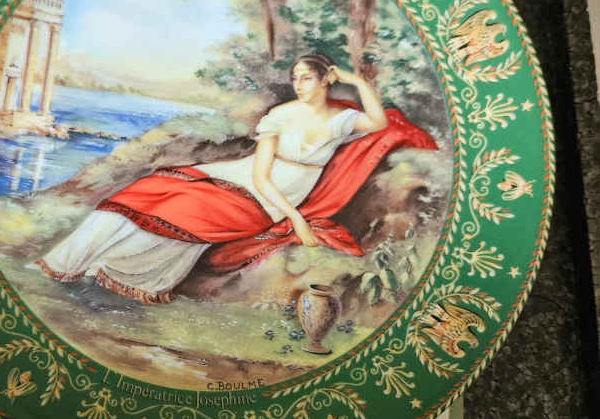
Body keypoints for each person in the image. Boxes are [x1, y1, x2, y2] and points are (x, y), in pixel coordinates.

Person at [34, 54, 437, 304]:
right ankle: (79, 263)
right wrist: (296, 219)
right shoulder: (281, 115)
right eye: (295, 78)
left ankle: (117, 270)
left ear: (325, 79)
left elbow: (378, 121)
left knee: (186, 208)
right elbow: (260, 174)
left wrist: (358, 80)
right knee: (148, 192)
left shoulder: (342, 118)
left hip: (275, 198)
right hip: (255, 182)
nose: (299, 85)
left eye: (306, 77)